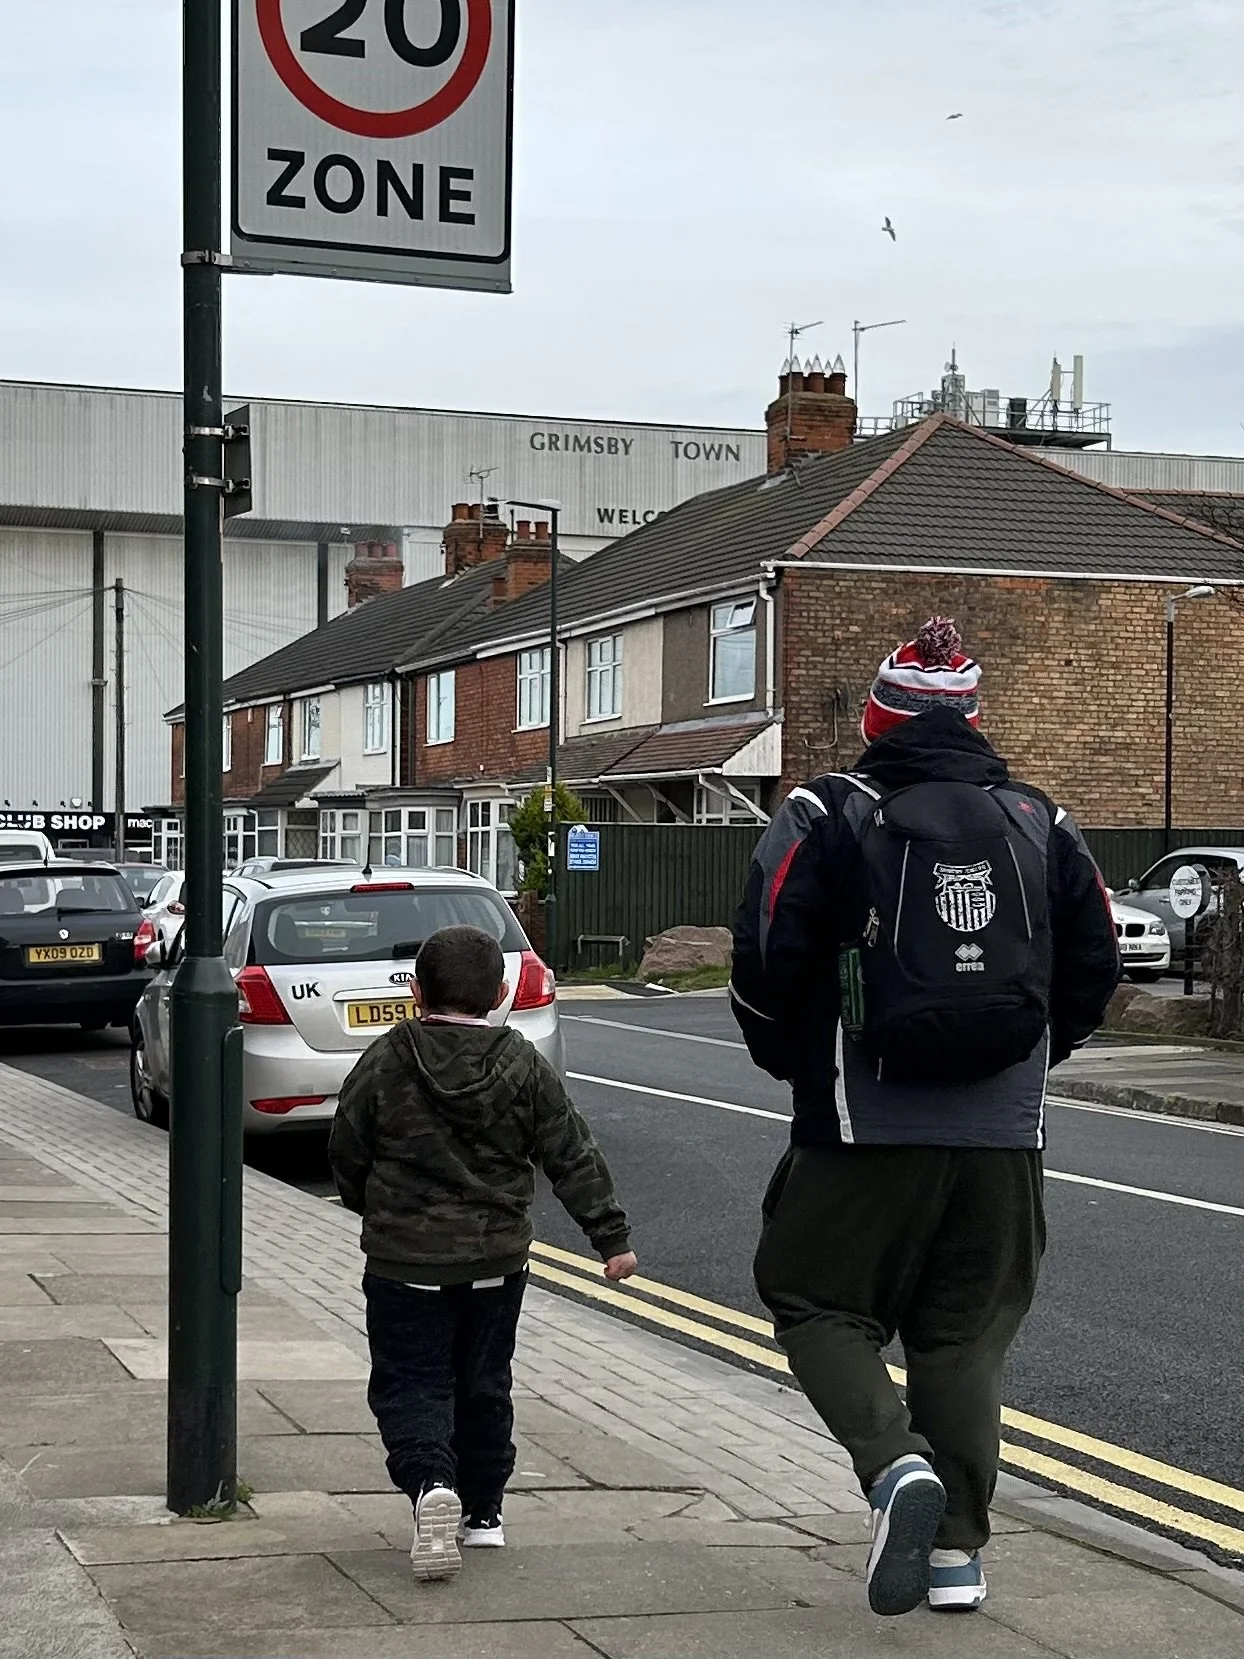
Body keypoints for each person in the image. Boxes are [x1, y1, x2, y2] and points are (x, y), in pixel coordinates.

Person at [731, 618, 1119, 1619]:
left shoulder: (822, 812)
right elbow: (1092, 969)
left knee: (812, 1298)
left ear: (876, 716)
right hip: (1003, 1133)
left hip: (861, 1122)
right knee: (962, 1337)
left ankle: (891, 1463)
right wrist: (1031, 1056)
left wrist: (799, 1065)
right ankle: (955, 1556)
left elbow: (765, 959)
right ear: (973, 717)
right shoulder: (1044, 821)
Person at [329, 924, 637, 1582]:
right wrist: (610, 1237)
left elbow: (347, 1144)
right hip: (497, 1263)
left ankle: (430, 1486)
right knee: (483, 1383)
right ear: (499, 993)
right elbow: (571, 1151)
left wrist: (372, 1208)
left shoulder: (387, 1056)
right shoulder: (524, 1062)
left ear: (415, 992)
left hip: (404, 1262)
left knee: (411, 1384)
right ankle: (484, 1513)